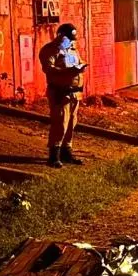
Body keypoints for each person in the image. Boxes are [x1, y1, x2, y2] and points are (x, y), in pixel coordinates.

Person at [39, 22, 88, 168]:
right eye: (68, 38)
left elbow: (78, 62)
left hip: (74, 93)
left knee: (71, 123)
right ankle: (54, 155)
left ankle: (67, 152)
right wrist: (68, 72)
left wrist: (80, 67)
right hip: (60, 93)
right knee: (60, 123)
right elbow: (49, 69)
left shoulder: (72, 49)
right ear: (60, 36)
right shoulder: (51, 50)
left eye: (72, 39)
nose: (71, 41)